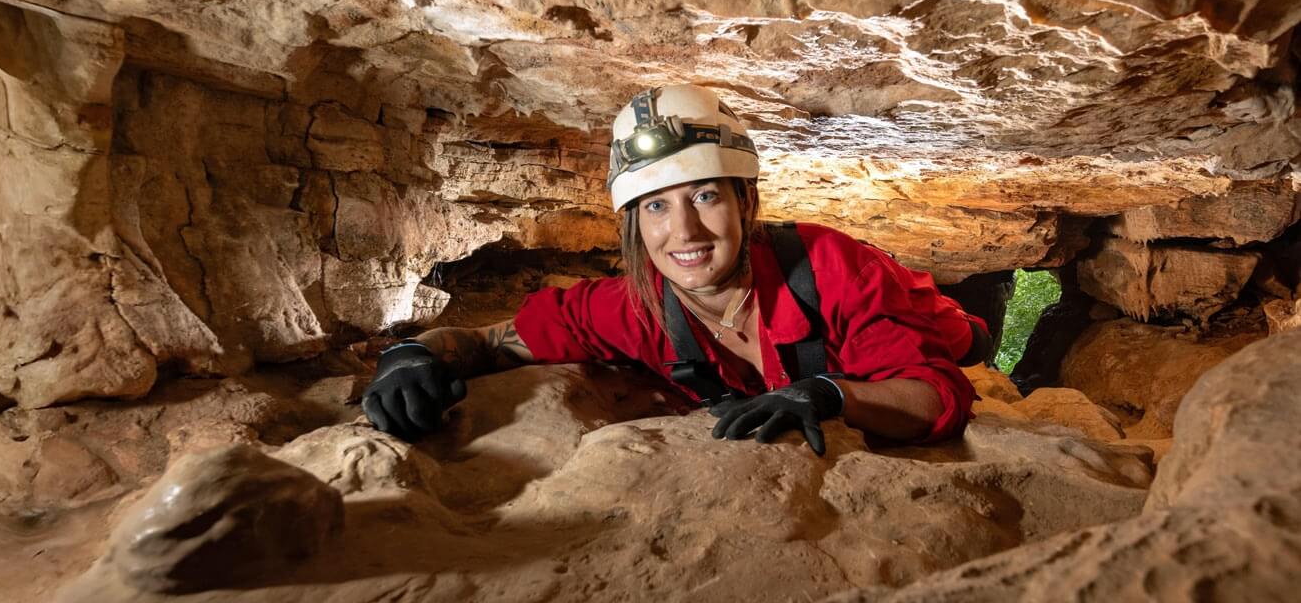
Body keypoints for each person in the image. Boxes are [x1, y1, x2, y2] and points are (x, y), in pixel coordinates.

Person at [362, 84, 984, 454]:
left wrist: (831, 393)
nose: (682, 232)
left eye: (706, 196)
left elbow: (934, 396)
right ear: (635, 222)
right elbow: (488, 341)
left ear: (746, 202)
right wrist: (411, 357)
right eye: (656, 206)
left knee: (964, 337)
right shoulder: (635, 305)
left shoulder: (832, 267)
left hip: (927, 317)